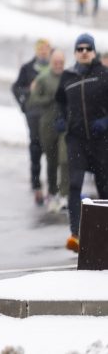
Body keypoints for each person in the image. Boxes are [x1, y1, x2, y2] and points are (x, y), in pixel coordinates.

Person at [55, 33, 108, 253]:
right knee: (74, 184)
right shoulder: (67, 76)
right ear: (75, 53)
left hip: (101, 140)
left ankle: (105, 232)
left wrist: (106, 121)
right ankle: (75, 234)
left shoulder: (104, 74)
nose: (84, 52)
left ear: (94, 52)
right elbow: (60, 101)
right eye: (80, 49)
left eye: (88, 48)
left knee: (103, 185)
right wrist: (60, 118)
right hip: (76, 139)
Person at [26, 49, 68, 213]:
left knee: (64, 160)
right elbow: (33, 100)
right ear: (51, 62)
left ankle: (64, 194)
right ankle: (52, 191)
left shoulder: (69, 77)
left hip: (64, 125)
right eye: (56, 62)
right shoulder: (43, 78)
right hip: (47, 124)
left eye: (61, 63)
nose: (58, 65)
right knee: (52, 161)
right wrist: (49, 99)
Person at [12, 39, 51, 205]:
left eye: (46, 49)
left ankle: (52, 186)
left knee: (51, 148)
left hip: (51, 113)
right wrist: (25, 103)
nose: (43, 52)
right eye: (40, 49)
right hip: (34, 113)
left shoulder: (55, 67)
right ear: (36, 51)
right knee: (36, 146)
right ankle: (36, 184)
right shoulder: (27, 68)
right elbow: (16, 88)